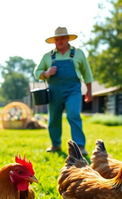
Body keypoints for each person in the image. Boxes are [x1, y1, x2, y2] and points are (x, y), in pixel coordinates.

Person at [34, 27, 93, 155]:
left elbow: (86, 73)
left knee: (73, 115)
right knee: (54, 118)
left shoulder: (78, 53)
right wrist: (46, 72)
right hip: (54, 91)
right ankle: (56, 144)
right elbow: (37, 72)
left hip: (73, 90)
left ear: (67, 39)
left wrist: (89, 91)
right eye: (57, 39)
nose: (59, 41)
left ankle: (79, 146)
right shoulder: (48, 56)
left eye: (61, 38)